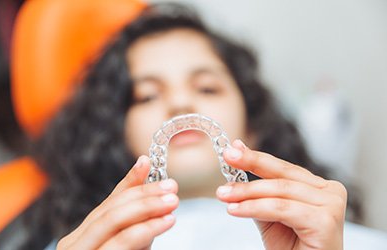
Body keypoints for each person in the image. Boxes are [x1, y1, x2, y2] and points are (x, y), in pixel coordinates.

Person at [18, 3, 350, 249]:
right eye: (147, 96)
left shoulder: (334, 237)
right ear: (115, 136)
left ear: (254, 125)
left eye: (207, 88)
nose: (180, 105)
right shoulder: (82, 244)